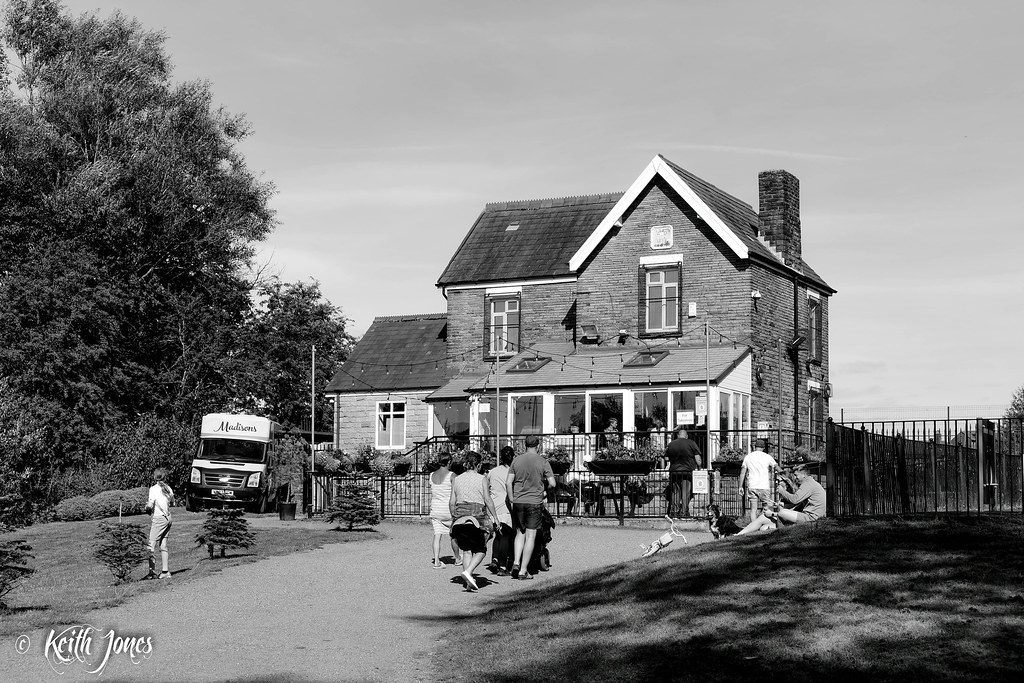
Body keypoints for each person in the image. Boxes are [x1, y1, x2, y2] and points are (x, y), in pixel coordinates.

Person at [506, 434, 555, 579]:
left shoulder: (517, 460)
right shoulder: (542, 461)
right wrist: (545, 491)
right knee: (531, 535)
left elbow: (508, 482)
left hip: (519, 501)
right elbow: (553, 483)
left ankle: (515, 562)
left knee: (519, 532)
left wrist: (512, 498)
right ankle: (523, 570)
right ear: (538, 446)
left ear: (524, 445)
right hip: (534, 501)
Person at [448, 451, 498, 591]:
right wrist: (495, 518)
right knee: (481, 549)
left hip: (460, 516)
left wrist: (454, 516)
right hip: (477, 517)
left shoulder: (457, 479)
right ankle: (468, 572)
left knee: (466, 550)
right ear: (479, 464)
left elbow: (452, 501)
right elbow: (487, 500)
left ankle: (468, 582)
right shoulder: (482, 478)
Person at [736, 464, 826, 534]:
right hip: (803, 515)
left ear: (804, 475)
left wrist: (782, 492)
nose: (795, 478)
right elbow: (798, 505)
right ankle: (738, 534)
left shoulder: (808, 484)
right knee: (763, 519)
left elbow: (795, 499)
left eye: (796, 475)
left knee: (782, 513)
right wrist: (781, 505)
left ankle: (779, 528)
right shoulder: (808, 483)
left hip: (811, 518)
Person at [486, 446, 515, 575]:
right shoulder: (513, 472)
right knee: (506, 537)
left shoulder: (493, 472)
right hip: (506, 507)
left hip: (494, 506)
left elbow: (487, 487)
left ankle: (495, 559)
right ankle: (503, 566)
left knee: (498, 535)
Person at [662, 427, 702, 517]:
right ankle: (684, 512)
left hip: (674, 472)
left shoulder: (671, 444)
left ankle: (674, 512)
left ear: (678, 435)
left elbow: (666, 457)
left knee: (675, 492)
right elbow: (698, 459)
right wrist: (699, 468)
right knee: (685, 493)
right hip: (687, 472)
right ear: (686, 436)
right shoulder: (691, 443)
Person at [739, 439, 779, 525]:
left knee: (753, 510)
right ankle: (764, 526)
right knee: (766, 509)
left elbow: (742, 473)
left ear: (754, 447)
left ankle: (754, 528)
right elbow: (776, 467)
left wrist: (740, 487)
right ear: (763, 448)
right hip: (764, 486)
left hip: (752, 485)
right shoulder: (767, 457)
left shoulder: (748, 457)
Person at [428, 453, 458, 568]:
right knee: (453, 534)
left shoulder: (431, 475)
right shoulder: (452, 475)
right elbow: (455, 493)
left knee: (437, 535)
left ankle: (436, 561)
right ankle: (457, 558)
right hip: (448, 509)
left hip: (435, 508)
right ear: (449, 462)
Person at [145, 468, 174, 579]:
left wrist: (146, 506)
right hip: (168, 518)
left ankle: (152, 573)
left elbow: (150, 504)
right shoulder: (168, 488)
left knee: (151, 545)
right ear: (164, 477)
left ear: (154, 477)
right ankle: (165, 571)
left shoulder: (153, 489)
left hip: (159, 518)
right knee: (163, 545)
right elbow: (172, 501)